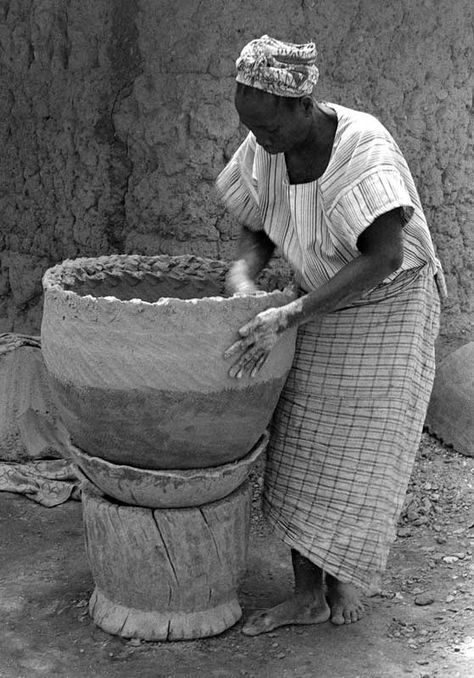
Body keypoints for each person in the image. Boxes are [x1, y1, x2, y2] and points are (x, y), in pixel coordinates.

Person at [216, 35, 446, 636]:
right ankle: (308, 592)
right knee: (300, 440)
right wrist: (245, 271)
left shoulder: (361, 149)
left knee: (360, 452)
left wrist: (289, 315)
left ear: (301, 105)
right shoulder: (268, 140)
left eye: (267, 128)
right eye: (250, 128)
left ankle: (340, 573)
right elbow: (257, 218)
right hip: (322, 299)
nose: (259, 142)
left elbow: (383, 257)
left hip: (388, 305)